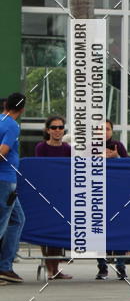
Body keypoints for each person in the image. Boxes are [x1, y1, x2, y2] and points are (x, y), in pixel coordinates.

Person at [34, 115, 72, 280]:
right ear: (48, 130)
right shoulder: (41, 147)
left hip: (62, 193)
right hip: (45, 193)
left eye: (60, 127)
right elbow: (40, 169)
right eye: (54, 127)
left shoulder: (67, 149)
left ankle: (55, 268)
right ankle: (50, 268)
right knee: (45, 231)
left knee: (58, 231)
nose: (57, 130)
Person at [97, 120, 129, 280]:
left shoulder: (118, 145)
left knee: (120, 229)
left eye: (108, 129)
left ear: (112, 131)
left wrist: (117, 157)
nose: (105, 132)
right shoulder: (91, 147)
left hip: (118, 195)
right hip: (97, 196)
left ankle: (121, 267)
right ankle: (102, 267)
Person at [0, 93, 27, 283]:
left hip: (6, 180)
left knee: (17, 219)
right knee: (2, 223)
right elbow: (3, 151)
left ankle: (5, 266)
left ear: (5, 104)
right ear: (22, 109)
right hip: (5, 179)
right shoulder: (11, 125)